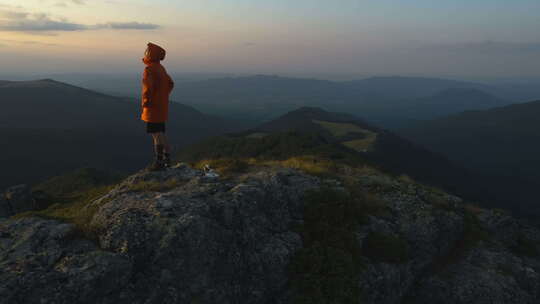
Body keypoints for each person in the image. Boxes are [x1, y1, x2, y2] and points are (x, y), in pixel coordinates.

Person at [141, 42, 175, 171]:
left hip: (153, 107)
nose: (145, 53)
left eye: (146, 51)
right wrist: (163, 96)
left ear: (150, 54)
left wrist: (146, 101)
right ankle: (167, 159)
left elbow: (147, 88)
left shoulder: (149, 69)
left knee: (156, 133)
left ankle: (159, 161)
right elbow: (171, 83)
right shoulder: (161, 68)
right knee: (161, 132)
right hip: (162, 106)